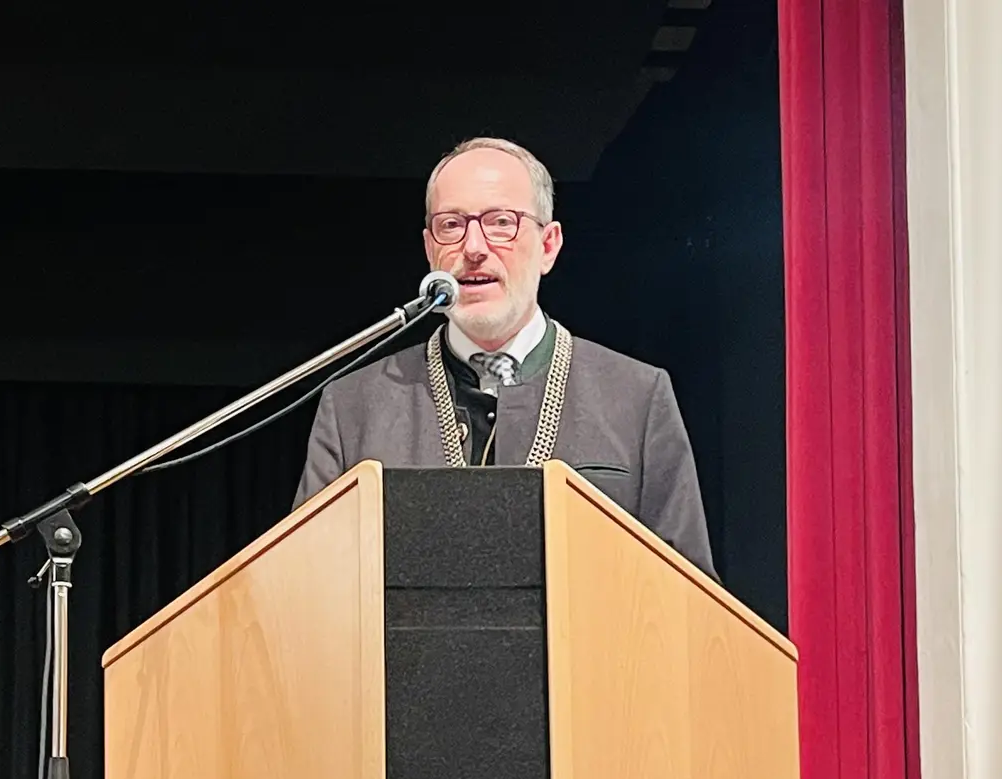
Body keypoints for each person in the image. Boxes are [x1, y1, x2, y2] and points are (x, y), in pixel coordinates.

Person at [293, 136, 719, 581]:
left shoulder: (636, 399)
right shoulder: (354, 407)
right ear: (428, 249)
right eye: (452, 225)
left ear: (549, 246)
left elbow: (693, 602)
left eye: (501, 223)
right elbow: (310, 590)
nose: (473, 247)